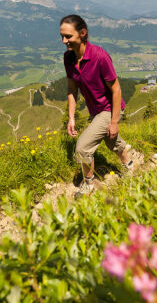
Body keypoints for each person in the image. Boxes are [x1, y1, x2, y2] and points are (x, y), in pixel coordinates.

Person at [61, 14, 134, 198]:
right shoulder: (68, 58)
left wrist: (114, 121)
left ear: (83, 33)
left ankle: (89, 183)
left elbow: (116, 90)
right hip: (96, 110)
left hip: (110, 108)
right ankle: (130, 166)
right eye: (62, 36)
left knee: (83, 147)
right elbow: (72, 89)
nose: (64, 41)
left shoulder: (100, 56)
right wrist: (71, 118)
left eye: (68, 36)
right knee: (110, 140)